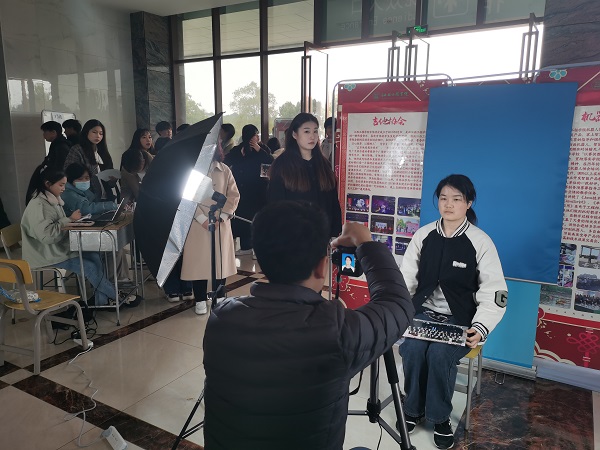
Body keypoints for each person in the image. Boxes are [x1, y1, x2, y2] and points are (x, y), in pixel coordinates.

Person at [203, 201, 415, 450]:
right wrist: (366, 243)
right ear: (322, 266)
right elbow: (398, 305)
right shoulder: (335, 331)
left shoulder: (220, 318)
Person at [398, 174, 508, 449]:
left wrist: (480, 327)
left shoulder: (480, 242)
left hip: (460, 319)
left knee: (439, 354)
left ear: (468, 203)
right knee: (412, 349)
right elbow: (405, 280)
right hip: (423, 312)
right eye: (444, 198)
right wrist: (397, 312)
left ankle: (440, 418)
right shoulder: (424, 235)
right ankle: (411, 409)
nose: (448, 204)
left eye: (457, 199)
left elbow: (494, 292)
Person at [21, 165, 119, 306]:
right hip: (46, 254)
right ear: (48, 184)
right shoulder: (39, 205)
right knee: (89, 267)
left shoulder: (52, 199)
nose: (64, 188)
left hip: (58, 249)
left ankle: (101, 302)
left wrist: (73, 221)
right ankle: (116, 296)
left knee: (94, 256)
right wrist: (69, 220)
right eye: (61, 185)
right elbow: (47, 236)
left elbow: (57, 225)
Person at [180, 143, 239, 315]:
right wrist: (202, 219)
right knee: (198, 262)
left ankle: (220, 296)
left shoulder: (224, 169)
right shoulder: (191, 171)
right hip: (198, 224)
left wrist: (223, 217)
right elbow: (186, 198)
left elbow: (234, 195)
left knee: (221, 261)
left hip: (221, 223)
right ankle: (200, 299)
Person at [268, 112, 342, 238]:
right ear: (294, 134)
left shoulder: (324, 164)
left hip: (321, 235)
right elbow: (275, 206)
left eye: (315, 131)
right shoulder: (282, 166)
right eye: (307, 131)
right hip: (294, 237)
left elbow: (333, 201)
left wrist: (335, 233)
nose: (312, 136)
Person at [62, 163, 132, 284]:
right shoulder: (69, 194)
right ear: (71, 179)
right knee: (113, 248)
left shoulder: (81, 191)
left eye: (87, 178)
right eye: (80, 179)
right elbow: (87, 208)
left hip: (84, 232)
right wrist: (112, 206)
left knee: (117, 246)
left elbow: (93, 205)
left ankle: (120, 280)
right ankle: (112, 283)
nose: (85, 181)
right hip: (76, 238)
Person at [224, 124, 273, 256]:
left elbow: (270, 163)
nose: (257, 138)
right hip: (242, 189)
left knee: (258, 218)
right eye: (255, 135)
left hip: (258, 190)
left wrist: (259, 150)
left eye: (257, 135)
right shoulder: (238, 149)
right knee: (243, 218)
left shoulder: (263, 149)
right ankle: (246, 246)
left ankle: (259, 247)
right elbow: (227, 161)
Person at [63, 119, 115, 201]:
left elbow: (110, 181)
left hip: (106, 196)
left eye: (101, 133)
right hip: (87, 197)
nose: (98, 136)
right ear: (86, 132)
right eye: (94, 132)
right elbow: (70, 172)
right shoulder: (77, 149)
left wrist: (112, 179)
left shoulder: (102, 151)